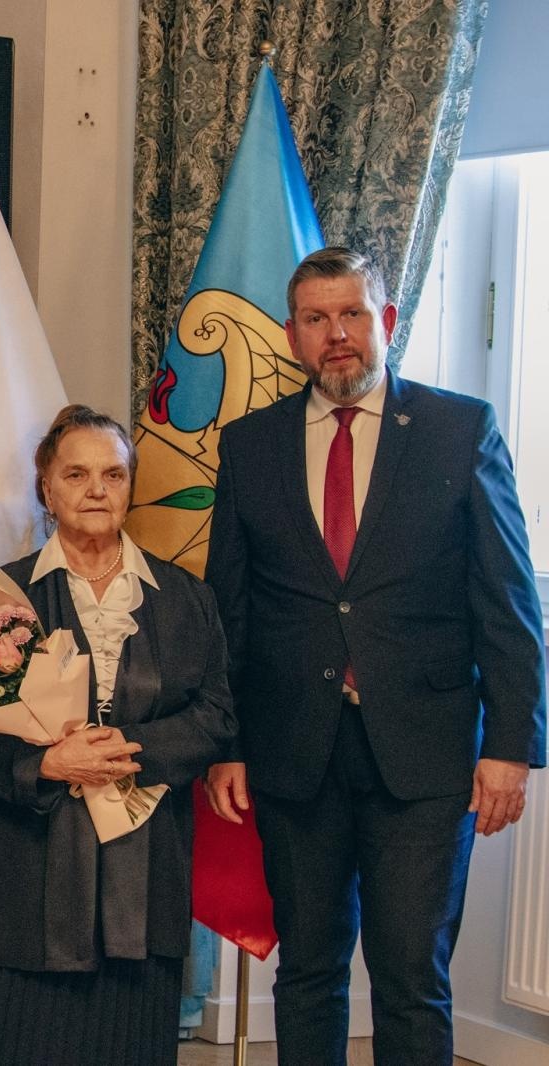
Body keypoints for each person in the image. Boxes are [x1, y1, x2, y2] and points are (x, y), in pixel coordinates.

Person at [205, 247, 546, 1066]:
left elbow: (508, 602)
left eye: (353, 315)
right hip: (293, 752)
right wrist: (227, 744)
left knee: (409, 976)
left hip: (425, 755)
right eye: (317, 320)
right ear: (292, 336)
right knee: (308, 970)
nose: (338, 336)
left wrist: (511, 747)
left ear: (386, 322)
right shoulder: (250, 445)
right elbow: (230, 610)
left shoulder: (459, 430)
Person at [0, 404, 236, 1066]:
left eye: (113, 473)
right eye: (76, 474)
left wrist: (124, 752)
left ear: (132, 484)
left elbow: (217, 714)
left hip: (142, 874)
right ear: (46, 487)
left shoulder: (187, 599)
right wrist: (46, 765)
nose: (96, 489)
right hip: (19, 874)